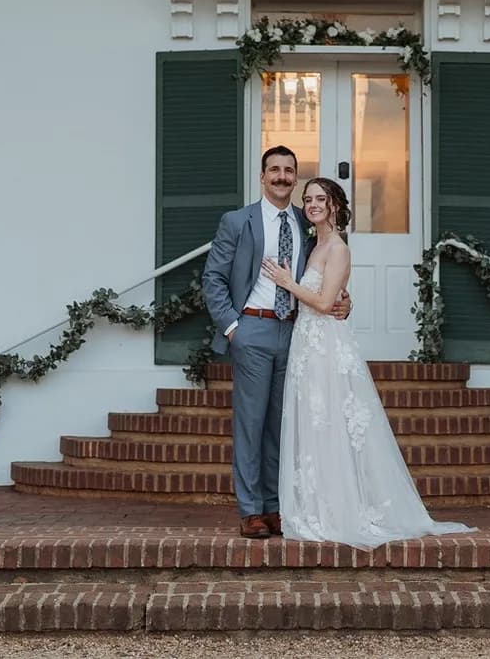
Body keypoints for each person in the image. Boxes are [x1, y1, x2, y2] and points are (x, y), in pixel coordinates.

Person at [263, 177, 472, 548]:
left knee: (331, 422)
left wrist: (286, 282)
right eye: (307, 198)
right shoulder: (314, 245)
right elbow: (333, 295)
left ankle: (340, 512)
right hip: (306, 344)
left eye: (319, 199)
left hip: (325, 344)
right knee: (315, 423)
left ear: (334, 206)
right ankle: (318, 506)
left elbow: (326, 303)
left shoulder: (338, 248)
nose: (311, 204)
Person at [200, 146, 351, 538]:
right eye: (275, 170)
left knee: (283, 424)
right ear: (262, 176)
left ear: (295, 177)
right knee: (251, 422)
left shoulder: (307, 220)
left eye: (289, 171)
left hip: (297, 332)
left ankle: (275, 506)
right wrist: (233, 328)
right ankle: (251, 510)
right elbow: (213, 278)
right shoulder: (237, 221)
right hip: (253, 328)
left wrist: (343, 300)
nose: (282, 176)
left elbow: (326, 270)